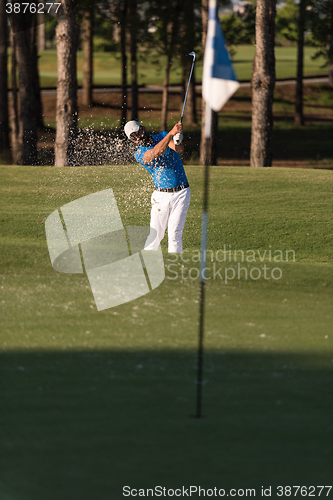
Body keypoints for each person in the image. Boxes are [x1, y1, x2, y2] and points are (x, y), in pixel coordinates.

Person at [124, 120, 191, 254]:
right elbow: (156, 152)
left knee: (175, 234)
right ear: (132, 141)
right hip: (160, 196)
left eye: (138, 132)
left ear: (143, 128)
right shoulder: (139, 154)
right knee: (156, 235)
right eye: (133, 137)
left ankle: (175, 267)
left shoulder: (162, 136)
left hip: (182, 193)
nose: (138, 137)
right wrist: (171, 133)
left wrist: (177, 140)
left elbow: (179, 149)